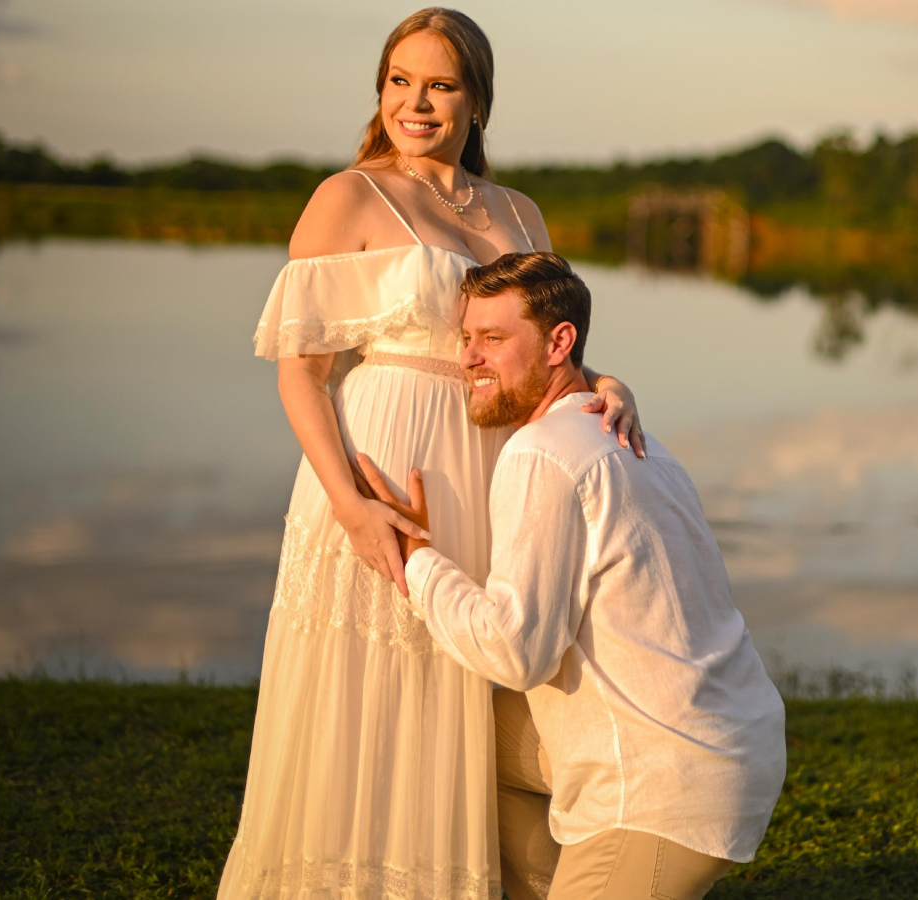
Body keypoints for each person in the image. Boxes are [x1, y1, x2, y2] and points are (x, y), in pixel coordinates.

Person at [216, 10, 643, 900]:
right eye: (400, 80)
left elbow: (536, 349)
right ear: (380, 90)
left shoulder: (519, 211)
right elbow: (302, 373)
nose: (417, 102)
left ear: (477, 100)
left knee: (467, 685)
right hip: (378, 468)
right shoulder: (349, 196)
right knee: (364, 700)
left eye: (442, 84)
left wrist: (607, 382)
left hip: (491, 476)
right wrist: (348, 503)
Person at [358, 252, 787, 900]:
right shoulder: (637, 441)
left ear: (561, 342)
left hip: (663, 788)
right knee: (463, 735)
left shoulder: (542, 452)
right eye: (467, 339)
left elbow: (515, 650)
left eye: (494, 340)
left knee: (469, 717)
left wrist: (415, 557)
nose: (469, 359)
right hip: (731, 743)